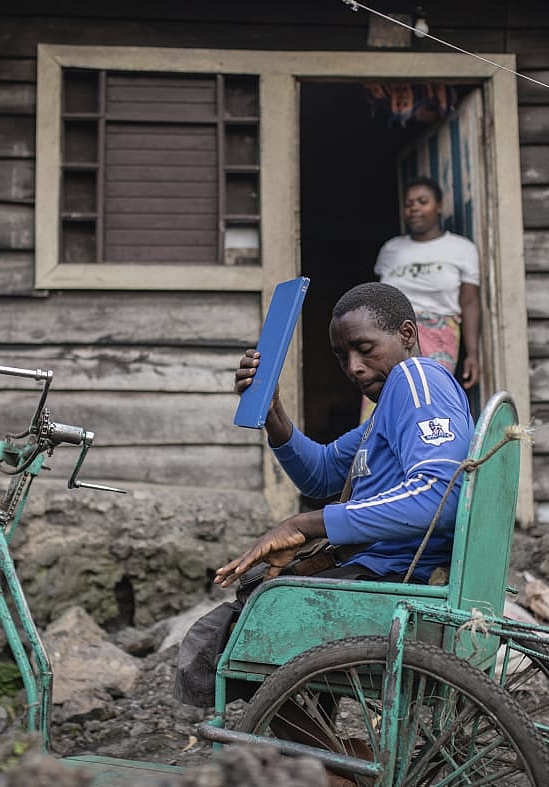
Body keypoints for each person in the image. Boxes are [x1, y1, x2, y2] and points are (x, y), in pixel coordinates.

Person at [174, 282, 474, 710]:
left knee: (241, 628)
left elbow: (441, 496)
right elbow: (321, 474)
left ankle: (320, 765)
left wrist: (301, 524)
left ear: (407, 335)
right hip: (376, 576)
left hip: (396, 584)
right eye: (341, 356)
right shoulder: (387, 406)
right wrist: (272, 409)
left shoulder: (417, 379)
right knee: (248, 609)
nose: (353, 367)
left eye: (365, 348)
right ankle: (322, 757)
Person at [374, 176, 481, 392]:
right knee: (385, 399)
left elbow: (469, 303)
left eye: (423, 201)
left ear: (439, 206)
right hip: (390, 335)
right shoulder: (391, 250)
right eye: (408, 204)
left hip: (439, 335)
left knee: (428, 397)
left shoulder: (461, 248)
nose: (414, 208)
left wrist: (472, 354)